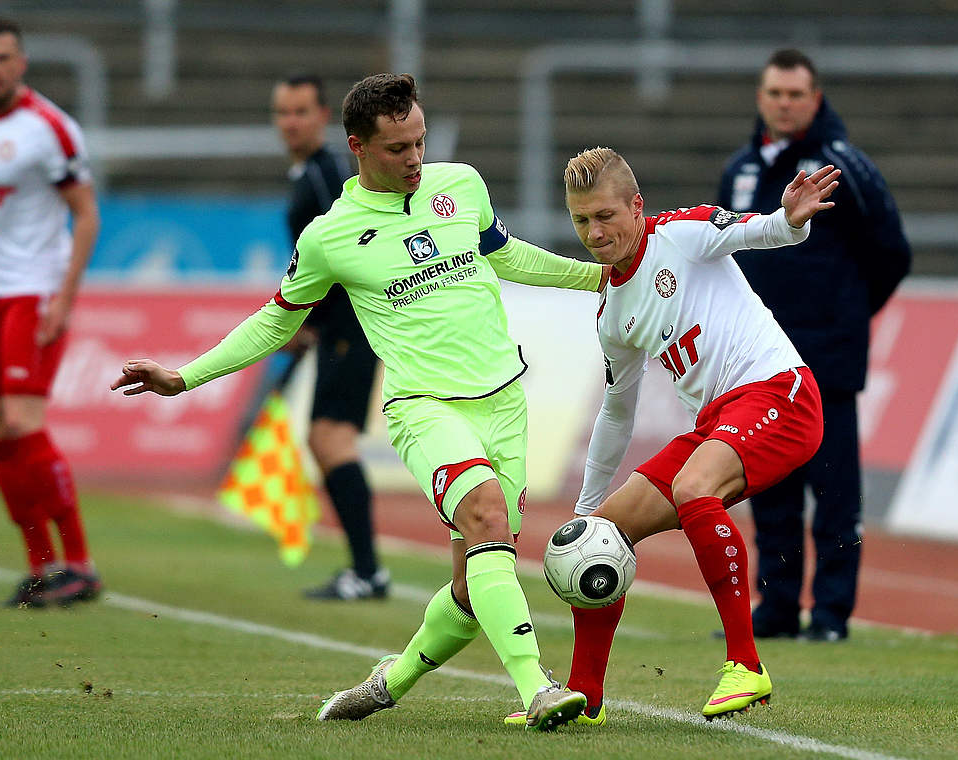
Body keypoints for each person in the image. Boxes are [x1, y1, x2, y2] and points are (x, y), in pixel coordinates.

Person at [111, 73, 610, 731]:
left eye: (420, 141)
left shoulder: (460, 185)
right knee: (487, 514)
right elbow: (277, 319)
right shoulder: (331, 236)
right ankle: (535, 688)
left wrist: (598, 276)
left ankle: (389, 680)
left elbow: (505, 256)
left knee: (472, 586)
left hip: (504, 403)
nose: (415, 159)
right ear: (358, 146)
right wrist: (185, 377)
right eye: (398, 147)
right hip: (424, 408)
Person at [520, 147, 837, 724]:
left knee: (695, 486)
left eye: (606, 216)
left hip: (781, 394)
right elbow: (617, 411)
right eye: (582, 220)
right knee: (609, 528)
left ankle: (745, 665)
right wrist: (588, 510)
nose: (595, 232)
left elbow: (763, 233)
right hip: (718, 419)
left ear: (637, 207)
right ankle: (585, 695)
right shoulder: (612, 312)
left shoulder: (683, 235)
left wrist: (790, 219)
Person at [719, 49, 911, 642]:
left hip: (827, 361)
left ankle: (830, 616)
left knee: (832, 496)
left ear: (816, 98)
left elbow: (892, 253)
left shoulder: (843, 166)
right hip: (759, 366)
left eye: (796, 94)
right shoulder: (741, 170)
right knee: (770, 498)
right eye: (775, 92)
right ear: (760, 98)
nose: (784, 103)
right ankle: (775, 612)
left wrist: (846, 318)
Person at [0, 18, 103, 609]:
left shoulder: (49, 128)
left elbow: (86, 215)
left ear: (22, 62)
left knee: (22, 422)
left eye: (4, 58)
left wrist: (64, 298)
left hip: (35, 289)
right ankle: (40, 564)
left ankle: (81, 565)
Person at [271, 73, 389, 601]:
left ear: (323, 117)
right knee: (325, 440)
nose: (290, 122)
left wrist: (306, 319)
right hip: (340, 327)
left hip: (352, 327)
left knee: (330, 439)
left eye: (300, 112)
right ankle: (365, 568)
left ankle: (367, 571)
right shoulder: (313, 175)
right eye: (283, 112)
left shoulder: (324, 179)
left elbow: (342, 256)